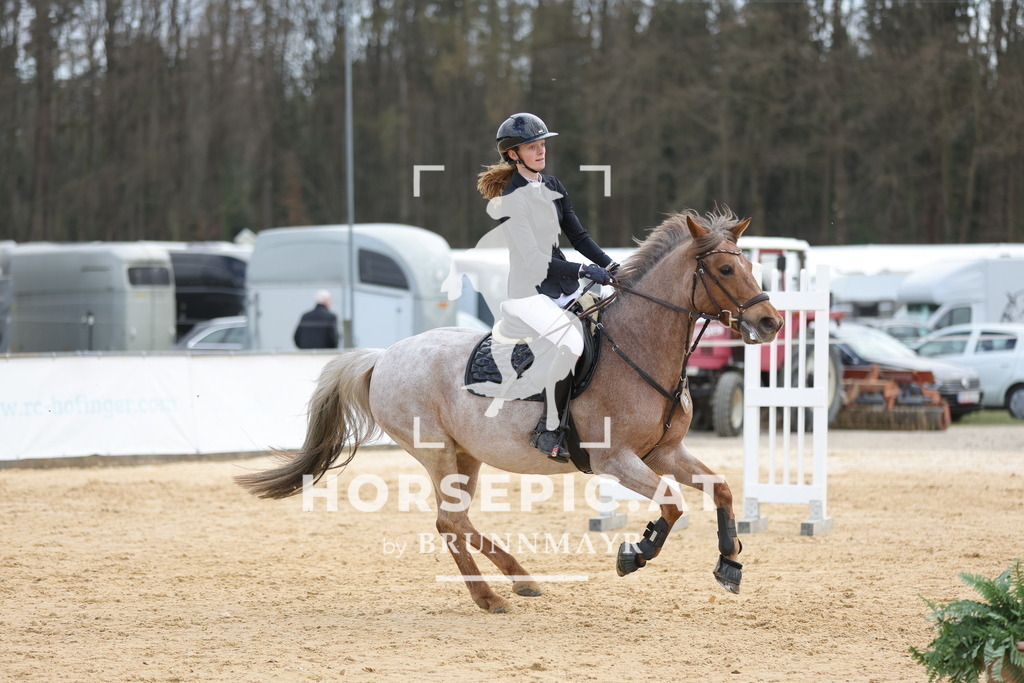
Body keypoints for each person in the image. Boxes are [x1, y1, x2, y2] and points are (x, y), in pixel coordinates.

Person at [467, 112, 617, 461]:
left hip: (561, 288)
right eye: (532, 146)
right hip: (527, 292)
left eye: (542, 144)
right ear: (513, 154)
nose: (541, 150)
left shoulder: (553, 186)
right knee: (570, 343)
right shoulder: (509, 198)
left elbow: (578, 235)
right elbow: (533, 259)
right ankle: (548, 428)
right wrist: (584, 269)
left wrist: (610, 265)